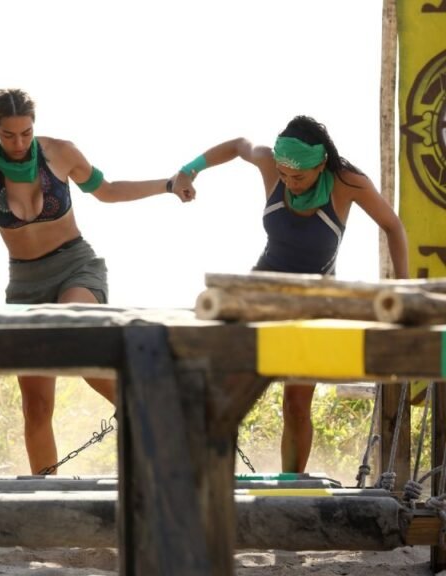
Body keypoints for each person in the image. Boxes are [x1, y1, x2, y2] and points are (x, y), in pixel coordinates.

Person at [0, 88, 192, 475]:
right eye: (9, 135)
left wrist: (168, 184)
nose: (19, 143)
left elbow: (108, 191)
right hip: (24, 285)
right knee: (37, 407)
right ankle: (45, 495)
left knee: (75, 332)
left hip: (75, 267)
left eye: (26, 133)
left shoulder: (60, 152)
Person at [170, 115, 409, 472]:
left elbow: (393, 226)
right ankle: (203, 476)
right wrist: (188, 171)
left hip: (313, 304)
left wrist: (402, 291)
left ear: (320, 164)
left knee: (296, 405)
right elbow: (238, 146)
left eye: (298, 177)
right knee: (226, 387)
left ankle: (291, 485)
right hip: (261, 293)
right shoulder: (270, 163)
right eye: (283, 175)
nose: (289, 183)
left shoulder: (348, 182)